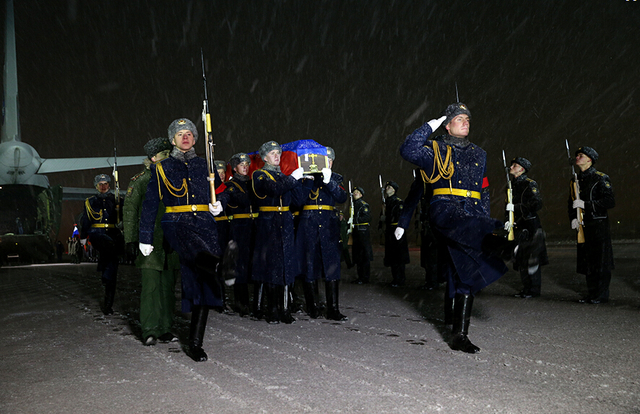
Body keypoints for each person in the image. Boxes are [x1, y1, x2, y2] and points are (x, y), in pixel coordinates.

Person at [400, 102, 510, 354]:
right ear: (447, 125)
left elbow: (483, 191)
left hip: (471, 215)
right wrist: (430, 125)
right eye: (459, 119)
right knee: (461, 237)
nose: (465, 122)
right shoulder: (434, 149)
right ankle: (505, 246)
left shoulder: (479, 153)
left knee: (465, 272)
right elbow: (407, 149)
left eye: (467, 119)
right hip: (445, 207)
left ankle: (459, 335)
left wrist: (484, 224)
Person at [139, 118, 227, 362]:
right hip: (177, 224)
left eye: (189, 133)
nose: (185, 137)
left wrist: (220, 204)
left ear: (195, 139)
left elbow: (221, 192)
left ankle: (196, 343)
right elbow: (149, 205)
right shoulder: (162, 168)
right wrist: (145, 237)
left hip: (205, 224)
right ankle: (220, 265)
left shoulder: (205, 166)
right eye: (180, 134)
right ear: (172, 139)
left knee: (201, 283)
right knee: (202, 259)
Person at [124, 137, 180, 346]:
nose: (166, 158)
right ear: (152, 158)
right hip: (149, 241)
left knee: (168, 287)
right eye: (162, 155)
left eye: (168, 154)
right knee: (151, 288)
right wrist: (130, 239)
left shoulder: (175, 177)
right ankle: (149, 329)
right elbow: (130, 211)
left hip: (170, 241)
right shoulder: (141, 180)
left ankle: (166, 328)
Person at [251, 141, 305, 324]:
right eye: (272, 153)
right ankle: (272, 309)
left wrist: (301, 181)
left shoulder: (284, 176)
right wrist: (292, 179)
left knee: (286, 268)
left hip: (285, 224)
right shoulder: (259, 175)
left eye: (278, 153)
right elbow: (274, 189)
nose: (276, 156)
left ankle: (285, 309)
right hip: (269, 225)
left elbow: (298, 201)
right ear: (264, 157)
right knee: (271, 268)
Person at [294, 147, 349, 320]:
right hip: (308, 225)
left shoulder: (336, 178)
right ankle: (313, 307)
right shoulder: (306, 178)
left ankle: (333, 309)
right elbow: (298, 202)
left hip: (328, 226)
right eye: (324, 160)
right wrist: (307, 180)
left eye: (330, 160)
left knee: (332, 267)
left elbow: (341, 197)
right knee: (310, 266)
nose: (328, 163)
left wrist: (329, 181)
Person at [568, 146, 615, 304]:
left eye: (581, 155)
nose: (577, 158)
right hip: (584, 225)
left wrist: (586, 204)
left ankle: (601, 295)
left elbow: (609, 201)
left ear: (590, 159)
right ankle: (592, 293)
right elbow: (571, 203)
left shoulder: (600, 178)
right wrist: (573, 218)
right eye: (577, 155)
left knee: (600, 261)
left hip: (598, 224)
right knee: (588, 261)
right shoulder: (575, 180)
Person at [80, 173, 124, 315]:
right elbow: (86, 220)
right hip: (97, 235)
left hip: (113, 234)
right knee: (108, 250)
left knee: (112, 270)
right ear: (96, 186)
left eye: (106, 184)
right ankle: (105, 272)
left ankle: (108, 305)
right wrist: (83, 236)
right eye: (101, 184)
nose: (103, 186)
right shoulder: (91, 202)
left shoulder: (117, 200)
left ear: (109, 185)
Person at [507, 157, 548, 298]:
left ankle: (534, 290)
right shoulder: (512, 185)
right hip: (519, 226)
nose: (511, 167)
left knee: (531, 260)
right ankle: (526, 289)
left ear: (522, 169)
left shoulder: (529, 184)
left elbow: (536, 204)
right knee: (521, 259)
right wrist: (509, 220)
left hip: (530, 227)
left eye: (515, 165)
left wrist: (517, 208)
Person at [223, 152, 257, 316]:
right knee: (240, 267)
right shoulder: (231, 186)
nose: (245, 167)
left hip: (252, 227)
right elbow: (244, 201)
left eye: (247, 164)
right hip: (239, 228)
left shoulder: (251, 184)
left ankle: (251, 302)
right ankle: (241, 303)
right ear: (235, 168)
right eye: (241, 164)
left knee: (251, 264)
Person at [396, 169, 440, 290]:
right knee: (431, 257)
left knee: (434, 256)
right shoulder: (425, 177)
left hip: (438, 222)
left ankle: (434, 281)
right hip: (432, 223)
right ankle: (433, 281)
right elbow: (412, 201)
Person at [382, 180, 410, 287]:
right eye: (387, 187)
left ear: (394, 189)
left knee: (399, 257)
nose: (387, 188)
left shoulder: (398, 202)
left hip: (397, 230)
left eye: (389, 187)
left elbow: (399, 216)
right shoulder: (387, 202)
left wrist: (388, 216)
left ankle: (400, 279)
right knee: (393, 256)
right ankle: (395, 278)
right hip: (390, 231)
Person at [350, 186, 373, 284]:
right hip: (357, 232)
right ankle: (361, 276)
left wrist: (354, 221)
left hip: (362, 232)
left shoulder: (363, 205)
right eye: (354, 192)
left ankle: (365, 277)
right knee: (358, 256)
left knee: (364, 256)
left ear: (361, 194)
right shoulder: (353, 204)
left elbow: (367, 218)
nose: (355, 193)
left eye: (358, 192)